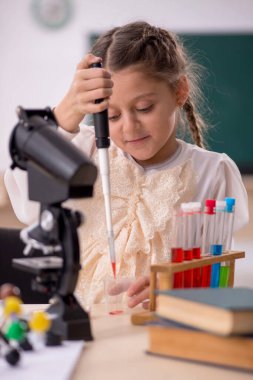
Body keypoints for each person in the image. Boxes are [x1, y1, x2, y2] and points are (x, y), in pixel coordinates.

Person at [4, 21, 249, 310]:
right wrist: (66, 111)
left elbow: (217, 278)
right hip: (84, 327)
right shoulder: (81, 149)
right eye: (112, 116)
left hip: (161, 329)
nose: (130, 128)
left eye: (144, 108)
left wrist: (167, 287)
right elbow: (28, 205)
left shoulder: (213, 172)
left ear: (179, 91)